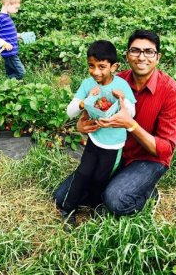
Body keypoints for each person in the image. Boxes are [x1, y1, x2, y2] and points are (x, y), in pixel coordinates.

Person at [53, 29, 176, 218]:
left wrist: (130, 125)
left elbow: (165, 150)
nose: (141, 57)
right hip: (114, 150)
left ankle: (147, 193)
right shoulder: (115, 81)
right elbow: (90, 108)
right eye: (135, 51)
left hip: (148, 158)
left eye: (149, 52)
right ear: (126, 56)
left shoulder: (171, 92)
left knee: (115, 200)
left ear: (157, 57)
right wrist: (80, 127)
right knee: (62, 196)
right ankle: (119, 181)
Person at [58, 40, 136, 224]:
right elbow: (70, 111)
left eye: (102, 66)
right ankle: (67, 209)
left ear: (114, 66)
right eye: (91, 66)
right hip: (94, 139)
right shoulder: (88, 85)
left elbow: (132, 113)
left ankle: (95, 208)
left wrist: (123, 100)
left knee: (101, 177)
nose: (96, 72)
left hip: (114, 144)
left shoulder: (122, 86)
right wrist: (85, 101)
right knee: (83, 173)